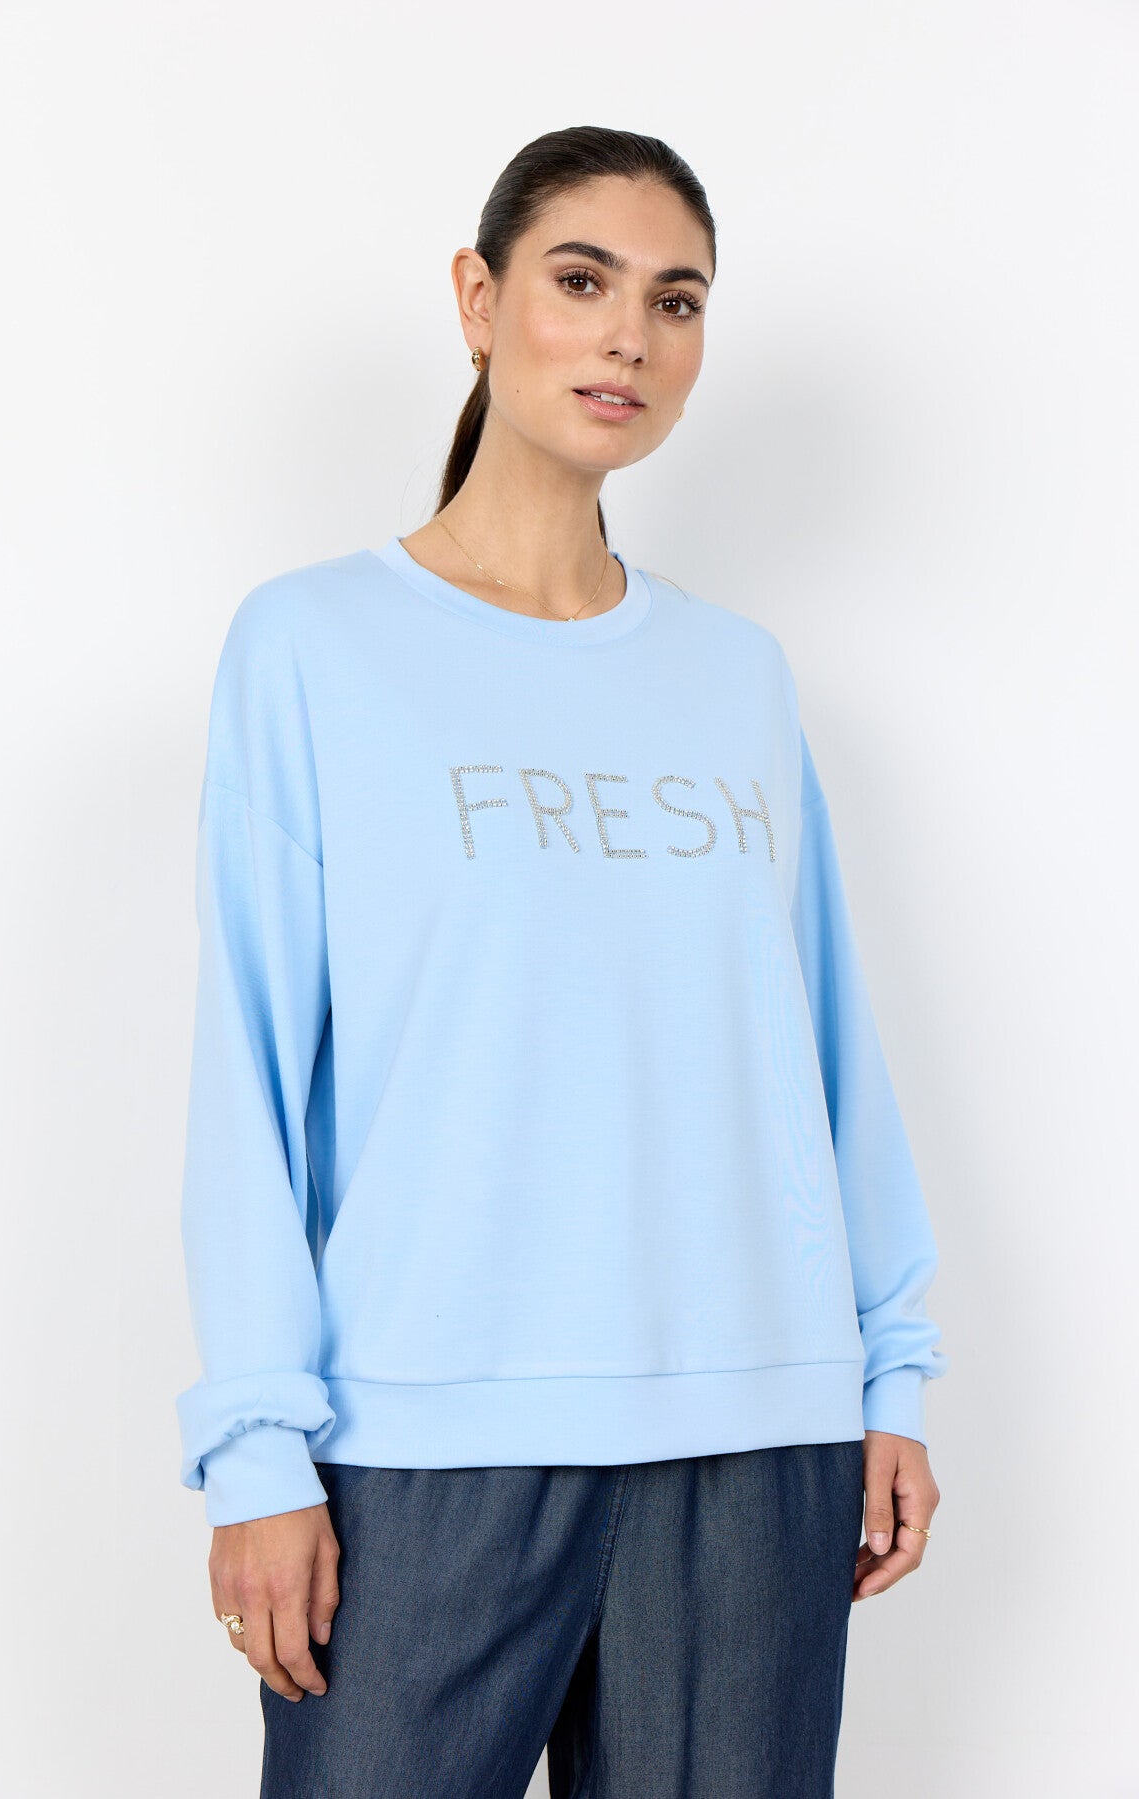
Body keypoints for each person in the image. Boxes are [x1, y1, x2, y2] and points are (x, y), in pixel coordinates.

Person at [174, 125, 947, 1799]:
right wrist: (256, 1447)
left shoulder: (736, 675)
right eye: (582, 281)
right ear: (479, 299)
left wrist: (893, 1367)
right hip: (425, 1437)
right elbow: (248, 1069)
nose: (630, 337)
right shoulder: (314, 644)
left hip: (754, 1435)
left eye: (677, 301)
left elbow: (824, 1049)